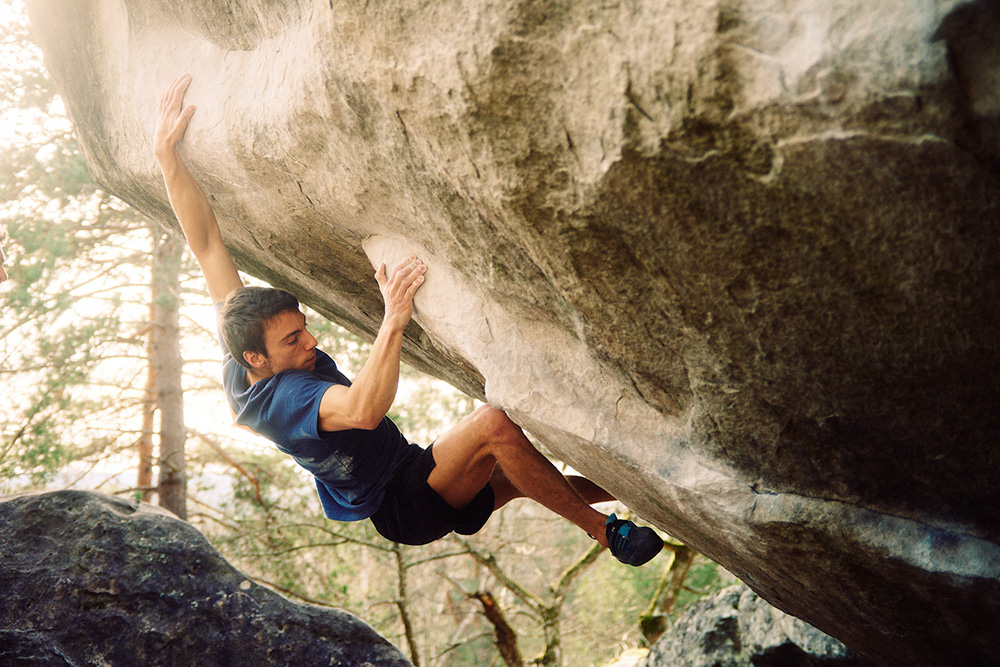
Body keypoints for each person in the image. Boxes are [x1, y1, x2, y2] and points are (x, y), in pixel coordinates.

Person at [153, 74, 663, 565]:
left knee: (529, 477)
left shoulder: (241, 343)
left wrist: (166, 158)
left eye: (304, 324)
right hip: (406, 502)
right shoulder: (287, 399)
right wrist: (393, 317)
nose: (311, 340)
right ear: (256, 358)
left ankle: (652, 491)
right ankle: (606, 533)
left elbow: (206, 245)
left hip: (414, 474)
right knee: (494, 427)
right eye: (293, 339)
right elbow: (362, 411)